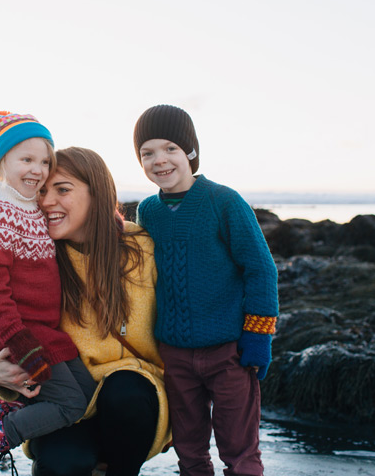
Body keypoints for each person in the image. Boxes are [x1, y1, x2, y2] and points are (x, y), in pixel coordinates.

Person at [0, 146, 171, 476]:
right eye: (42, 190)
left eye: (62, 189)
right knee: (60, 464)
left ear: (97, 193)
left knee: (124, 389)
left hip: (132, 406)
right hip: (65, 404)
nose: (47, 201)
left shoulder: (144, 250)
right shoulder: (38, 255)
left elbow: (185, 332)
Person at [0, 112, 95, 476]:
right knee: (71, 404)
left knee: (88, 393)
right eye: (26, 159)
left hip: (45, 332)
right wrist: (21, 345)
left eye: (45, 161)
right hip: (19, 335)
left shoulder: (33, 208)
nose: (38, 169)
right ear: (2, 164)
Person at [132, 104, 279, 476]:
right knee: (190, 450)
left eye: (170, 149)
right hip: (175, 354)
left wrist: (258, 335)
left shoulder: (224, 202)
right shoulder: (148, 211)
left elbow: (261, 270)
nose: (159, 160)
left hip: (229, 351)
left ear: (190, 153)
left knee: (240, 451)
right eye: (147, 153)